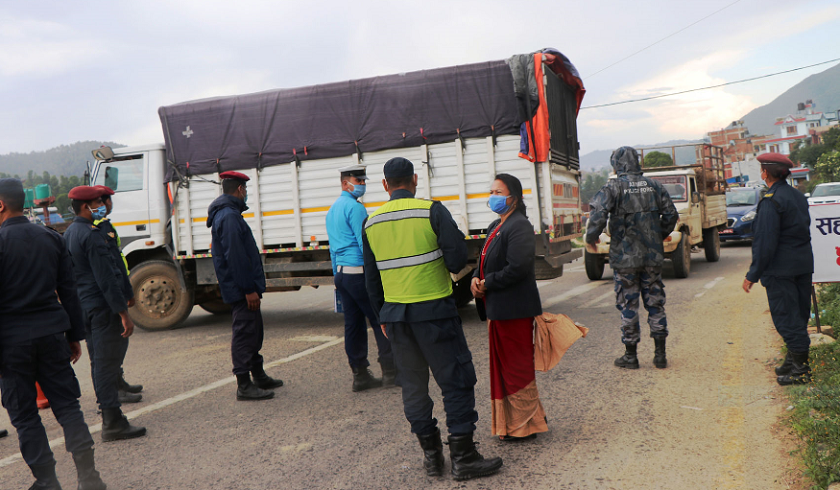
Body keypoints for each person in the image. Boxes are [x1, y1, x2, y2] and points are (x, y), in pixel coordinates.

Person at [363, 157, 503, 481]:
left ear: (385, 185)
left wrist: (383, 316)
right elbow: (456, 260)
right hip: (435, 314)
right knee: (455, 382)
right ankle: (464, 457)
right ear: (414, 180)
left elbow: (371, 280)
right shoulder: (431, 211)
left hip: (396, 318)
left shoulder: (371, 222)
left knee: (413, 388)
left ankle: (431, 457)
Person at [0, 178, 107, 489]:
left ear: (1, 204)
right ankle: (89, 477)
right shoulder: (50, 238)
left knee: (25, 417)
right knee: (67, 407)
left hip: (12, 344)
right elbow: (68, 290)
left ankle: (47, 482)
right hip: (52, 336)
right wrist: (74, 335)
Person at [64, 185, 147, 442]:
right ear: (86, 207)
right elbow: (106, 278)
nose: (102, 205)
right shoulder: (91, 235)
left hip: (84, 306)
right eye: (98, 202)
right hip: (101, 307)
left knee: (99, 361)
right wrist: (123, 312)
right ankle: (111, 421)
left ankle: (111, 414)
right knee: (107, 362)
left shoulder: (70, 233)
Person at [585, 146, 678, 369]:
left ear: (616, 165)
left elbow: (597, 215)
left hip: (625, 259)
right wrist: (658, 235)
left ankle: (631, 356)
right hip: (652, 257)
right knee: (655, 302)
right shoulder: (654, 186)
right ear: (637, 163)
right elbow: (671, 214)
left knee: (629, 304)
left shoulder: (613, 187)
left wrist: (591, 237)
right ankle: (660, 355)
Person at [471, 173, 547, 441]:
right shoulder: (496, 224)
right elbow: (484, 261)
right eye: (491, 191)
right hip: (498, 309)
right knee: (504, 369)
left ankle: (524, 426)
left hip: (515, 310)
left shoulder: (519, 226)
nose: (493, 197)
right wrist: (475, 281)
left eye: (499, 192)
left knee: (517, 368)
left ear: (513, 198)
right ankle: (516, 422)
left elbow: (517, 268)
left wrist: (487, 283)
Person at [207, 171, 283, 401]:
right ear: (239, 189)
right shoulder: (229, 217)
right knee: (244, 334)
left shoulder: (229, 214)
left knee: (253, 331)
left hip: (242, 287)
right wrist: (248, 289)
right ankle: (244, 384)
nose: (246, 194)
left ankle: (258, 375)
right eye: (246, 190)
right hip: (241, 289)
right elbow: (237, 257)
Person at [742, 153, 813, 385]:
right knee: (799, 314)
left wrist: (752, 274)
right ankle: (792, 361)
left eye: (762, 169)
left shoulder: (771, 200)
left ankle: (801, 371)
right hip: (802, 265)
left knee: (787, 317)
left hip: (781, 270)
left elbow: (765, 242)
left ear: (765, 173)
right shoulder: (798, 196)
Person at [326, 164, 395, 391]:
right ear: (346, 183)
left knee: (353, 324)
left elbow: (333, 248)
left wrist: (337, 275)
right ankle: (391, 373)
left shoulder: (333, 209)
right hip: (358, 272)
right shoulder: (356, 209)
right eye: (358, 180)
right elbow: (364, 243)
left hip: (343, 275)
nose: (363, 184)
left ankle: (360, 374)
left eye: (364, 180)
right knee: (379, 319)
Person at [94, 185, 144, 404]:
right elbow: (108, 268)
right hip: (106, 296)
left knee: (117, 343)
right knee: (110, 345)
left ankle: (118, 380)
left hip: (117, 289)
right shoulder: (98, 228)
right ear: (103, 203)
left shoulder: (105, 225)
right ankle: (113, 389)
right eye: (108, 201)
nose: (110, 205)